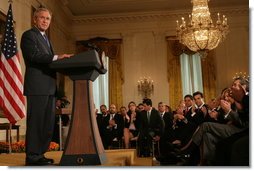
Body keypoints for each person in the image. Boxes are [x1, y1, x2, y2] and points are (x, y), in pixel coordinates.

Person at [21, 7, 72, 165]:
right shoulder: (29, 35)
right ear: (35, 19)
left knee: (46, 124)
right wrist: (57, 57)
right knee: (36, 123)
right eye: (42, 18)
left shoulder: (45, 39)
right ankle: (32, 157)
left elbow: (49, 61)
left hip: (49, 88)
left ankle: (40, 155)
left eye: (47, 19)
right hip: (37, 87)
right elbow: (34, 56)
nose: (45, 21)